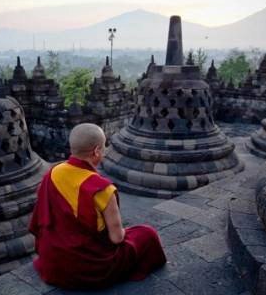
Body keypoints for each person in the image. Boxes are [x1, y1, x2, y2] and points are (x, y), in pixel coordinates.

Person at [29, 123, 167, 289]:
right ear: (96, 151)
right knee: (147, 234)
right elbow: (117, 238)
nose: (104, 151)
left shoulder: (53, 172)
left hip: (52, 263)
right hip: (90, 268)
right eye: (104, 147)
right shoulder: (102, 189)